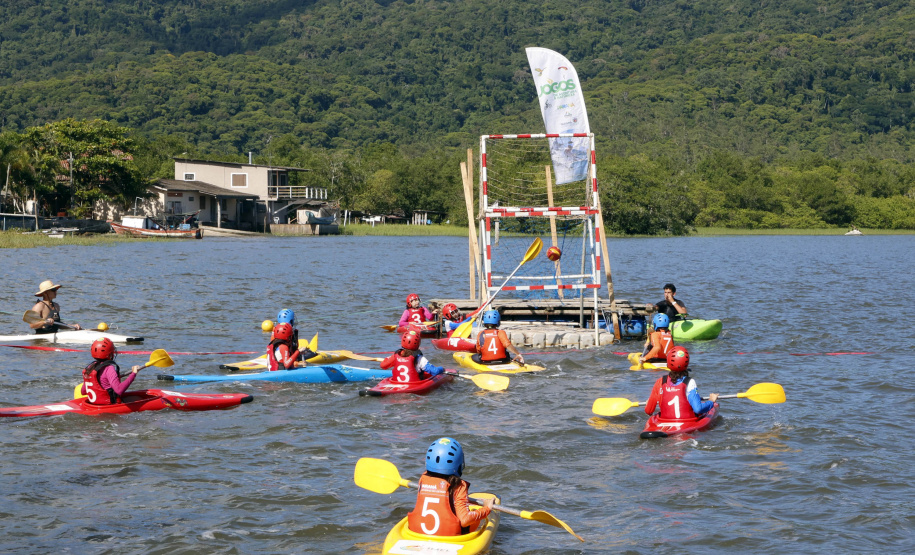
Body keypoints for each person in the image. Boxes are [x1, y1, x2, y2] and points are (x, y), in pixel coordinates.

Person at [407, 437, 494, 536]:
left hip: (417, 532)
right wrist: (487, 508)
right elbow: (465, 520)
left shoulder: (423, 479)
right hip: (449, 536)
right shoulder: (459, 486)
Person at [644, 346, 718, 420]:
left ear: (668, 362)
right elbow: (698, 409)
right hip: (687, 422)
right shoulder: (690, 382)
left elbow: (648, 411)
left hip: (665, 421)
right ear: (686, 363)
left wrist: (648, 404)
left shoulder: (660, 381)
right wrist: (711, 401)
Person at [80, 338, 142, 405]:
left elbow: (83, 391)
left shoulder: (89, 368)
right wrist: (133, 374)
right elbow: (119, 390)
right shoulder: (109, 368)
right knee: (138, 398)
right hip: (109, 406)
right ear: (109, 354)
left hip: (93, 404)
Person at [380, 331, 445, 382]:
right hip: (414, 385)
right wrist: (442, 369)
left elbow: (383, 365)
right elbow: (435, 371)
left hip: (397, 383)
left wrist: (387, 359)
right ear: (418, 344)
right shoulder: (420, 359)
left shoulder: (396, 355)